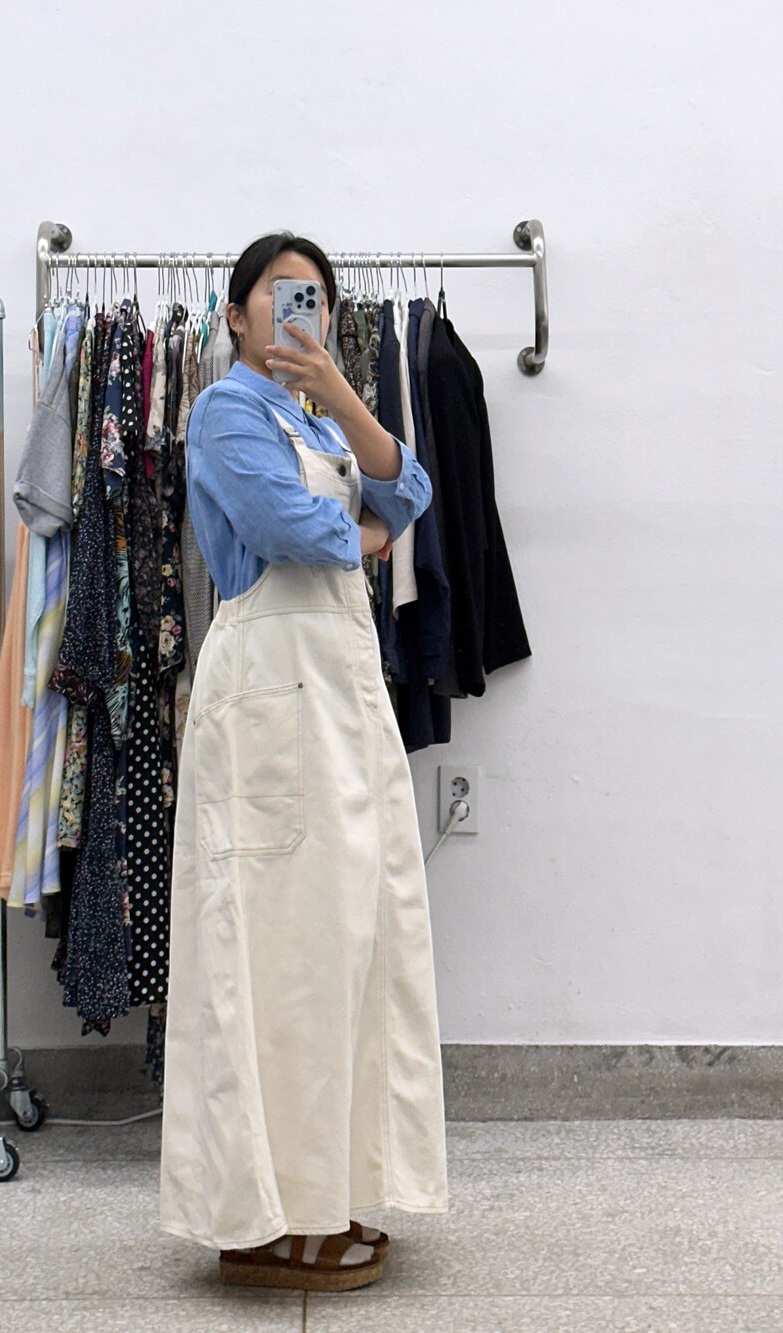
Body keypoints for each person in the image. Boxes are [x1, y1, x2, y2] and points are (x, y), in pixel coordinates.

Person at [158, 233, 449, 1293]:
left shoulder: (319, 415)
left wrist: (341, 393)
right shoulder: (222, 411)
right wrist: (364, 533)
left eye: (316, 297)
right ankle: (268, 1217)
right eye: (283, 296)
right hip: (271, 691)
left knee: (346, 942)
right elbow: (293, 531)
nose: (301, 312)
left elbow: (410, 489)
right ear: (237, 312)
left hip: (336, 686)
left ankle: (327, 1192)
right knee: (275, 953)